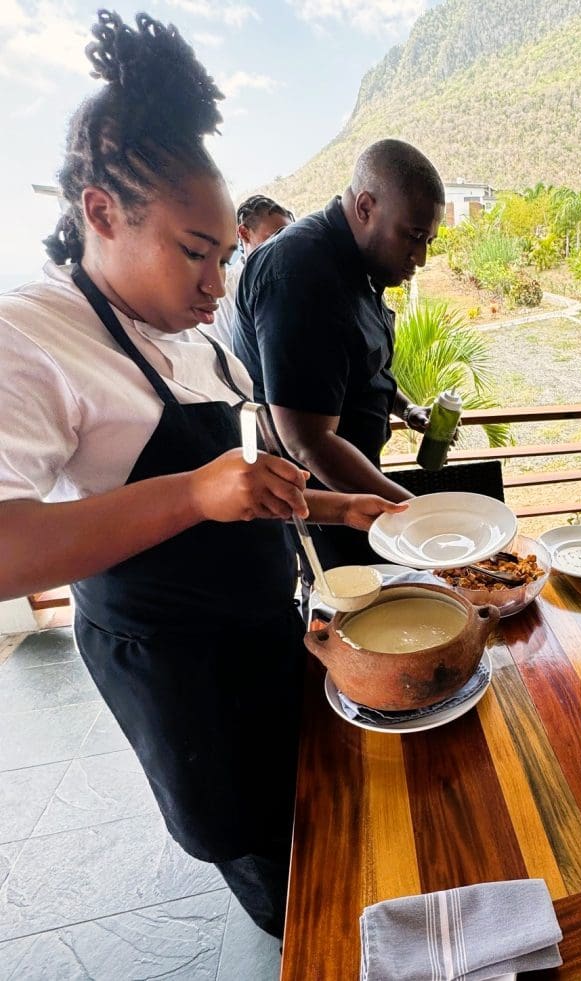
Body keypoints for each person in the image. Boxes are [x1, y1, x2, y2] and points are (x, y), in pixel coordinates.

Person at [0, 10, 402, 938]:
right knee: (259, 845)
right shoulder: (35, 335)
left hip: (263, 624)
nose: (217, 284)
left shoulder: (191, 339)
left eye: (224, 256)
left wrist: (347, 504)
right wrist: (193, 490)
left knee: (306, 800)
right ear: (102, 212)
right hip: (176, 663)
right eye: (193, 251)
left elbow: (246, 484)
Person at [233, 139, 446, 569]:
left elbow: (363, 368)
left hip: (358, 490)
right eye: (414, 236)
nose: (420, 257)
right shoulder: (300, 273)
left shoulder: (364, 267)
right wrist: (424, 518)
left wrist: (406, 409)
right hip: (328, 510)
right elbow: (307, 441)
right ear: (365, 207)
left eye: (429, 241)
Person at [208, 194, 293, 347]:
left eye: (290, 239)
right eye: (272, 239)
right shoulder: (224, 295)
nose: (283, 248)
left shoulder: (293, 278)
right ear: (244, 234)